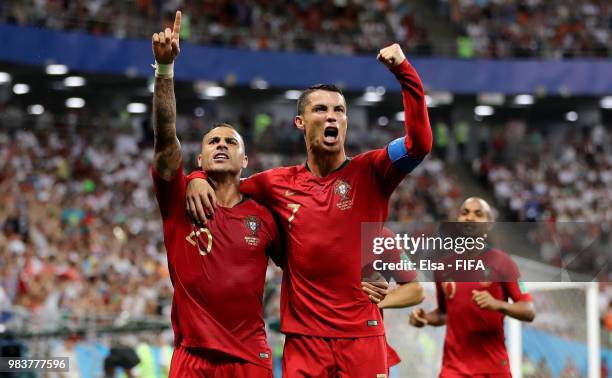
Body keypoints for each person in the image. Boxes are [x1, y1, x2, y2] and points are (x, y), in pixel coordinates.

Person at [185, 43, 432, 376]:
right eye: (321, 109)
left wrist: (404, 71)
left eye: (339, 110)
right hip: (305, 342)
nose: (331, 116)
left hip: (362, 337)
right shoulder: (275, 184)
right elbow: (228, 183)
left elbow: (420, 143)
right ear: (300, 121)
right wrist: (197, 176)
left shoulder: (371, 172)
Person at [150, 11, 282, 377]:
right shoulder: (178, 200)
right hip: (193, 357)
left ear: (244, 160)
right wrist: (164, 71)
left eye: (230, 142)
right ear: (199, 157)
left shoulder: (265, 217)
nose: (221, 145)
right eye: (213, 142)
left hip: (249, 359)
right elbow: (164, 138)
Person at [408, 197, 536, 378]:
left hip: (492, 368)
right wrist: (425, 318)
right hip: (454, 369)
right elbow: (445, 313)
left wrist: (498, 304)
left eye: (478, 214)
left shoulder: (503, 263)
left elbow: (529, 310)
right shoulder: (443, 266)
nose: (470, 217)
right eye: (465, 212)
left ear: (489, 224)